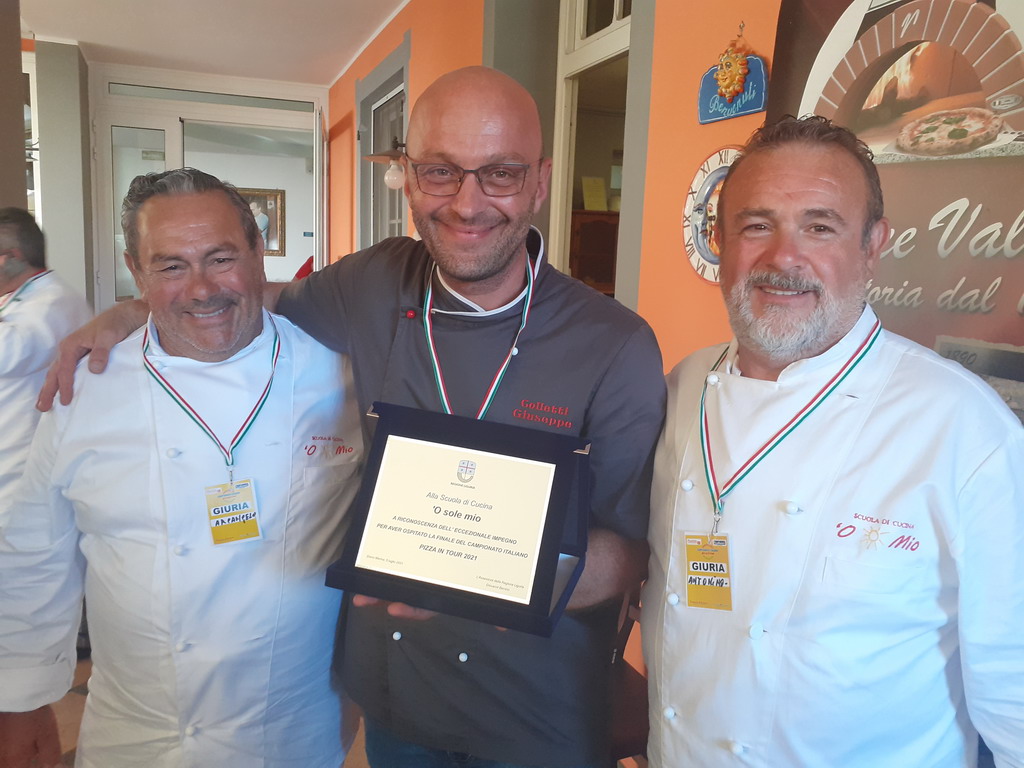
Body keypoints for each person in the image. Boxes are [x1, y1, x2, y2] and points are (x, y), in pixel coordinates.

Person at [40, 67, 666, 768]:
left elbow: (631, 550)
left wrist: (486, 574)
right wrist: (139, 308)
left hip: (534, 715)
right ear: (407, 177)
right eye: (440, 171)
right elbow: (243, 295)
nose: (467, 204)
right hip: (394, 706)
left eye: (500, 173)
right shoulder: (373, 281)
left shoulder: (614, 343)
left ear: (541, 182)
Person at [643, 116, 1024, 766]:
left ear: (873, 246)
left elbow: (1014, 691)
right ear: (720, 241)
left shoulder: (964, 428)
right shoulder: (679, 390)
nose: (783, 258)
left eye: (819, 227)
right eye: (756, 225)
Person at [0, 169, 362, 768]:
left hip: (295, 729)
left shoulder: (337, 368)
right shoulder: (85, 386)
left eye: (221, 258)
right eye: (170, 266)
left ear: (258, 252)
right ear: (136, 272)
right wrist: (21, 701)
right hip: (135, 732)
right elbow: (37, 548)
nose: (201, 289)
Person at [0, 208, 91, 524]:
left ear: (10, 258)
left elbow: (10, 352)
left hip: (21, 481)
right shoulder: (21, 299)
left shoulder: (52, 304)